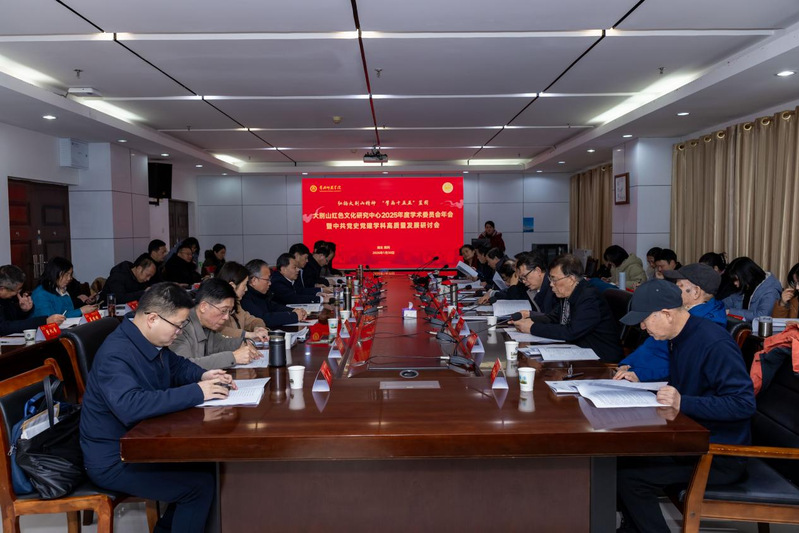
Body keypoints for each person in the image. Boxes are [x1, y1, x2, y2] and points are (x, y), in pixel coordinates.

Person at [79, 282, 235, 533]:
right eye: (178, 325)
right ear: (152, 318)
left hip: (143, 441)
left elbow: (177, 366)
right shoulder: (115, 354)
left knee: (208, 465)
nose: (180, 332)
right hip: (115, 458)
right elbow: (131, 405)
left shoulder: (148, 339)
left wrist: (203, 375)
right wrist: (197, 391)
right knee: (197, 487)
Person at [616, 280, 755, 533]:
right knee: (618, 459)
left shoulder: (713, 343)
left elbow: (743, 403)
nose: (642, 327)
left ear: (667, 314)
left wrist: (683, 402)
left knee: (631, 477)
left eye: (645, 320)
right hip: (689, 438)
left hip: (717, 453)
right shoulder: (679, 337)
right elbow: (688, 383)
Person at [614, 264, 727, 382]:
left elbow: (684, 368)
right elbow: (652, 345)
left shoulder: (708, 325)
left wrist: (640, 374)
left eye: (679, 286)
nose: (674, 290)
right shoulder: (683, 314)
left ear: (696, 292)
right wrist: (628, 363)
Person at [511, 254, 623, 362]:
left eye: (554, 279)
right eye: (550, 279)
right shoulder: (569, 293)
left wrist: (532, 328)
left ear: (571, 279)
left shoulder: (589, 297)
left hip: (601, 359)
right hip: (582, 351)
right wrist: (528, 321)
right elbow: (553, 318)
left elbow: (571, 331)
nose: (551, 284)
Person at [171, 278, 262, 370]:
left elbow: (220, 344)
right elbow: (183, 367)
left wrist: (243, 342)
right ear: (203, 307)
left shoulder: (207, 325)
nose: (226, 317)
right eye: (223, 310)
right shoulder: (180, 326)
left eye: (229, 311)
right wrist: (233, 357)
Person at [241, 259, 308, 329]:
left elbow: (274, 307)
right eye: (267, 280)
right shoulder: (245, 298)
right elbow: (263, 319)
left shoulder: (259, 294)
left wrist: (293, 310)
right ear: (254, 281)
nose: (270, 283)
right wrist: (293, 316)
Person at [0, 264, 64, 335]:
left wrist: (24, 311)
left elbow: (14, 320)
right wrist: (44, 321)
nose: (18, 293)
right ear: (2, 289)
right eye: (16, 290)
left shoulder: (7, 298)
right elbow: (3, 327)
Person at [215, 262, 269, 341]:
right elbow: (219, 330)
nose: (246, 289)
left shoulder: (236, 304)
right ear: (232, 286)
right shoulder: (215, 305)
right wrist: (247, 334)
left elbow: (252, 320)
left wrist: (258, 328)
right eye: (244, 285)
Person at [31, 257, 98, 318]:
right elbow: (50, 319)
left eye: (70, 274)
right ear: (54, 273)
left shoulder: (62, 290)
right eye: (66, 274)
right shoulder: (40, 294)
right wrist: (80, 311)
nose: (69, 278)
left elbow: (68, 313)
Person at [722, 256, 782, 321]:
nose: (735, 283)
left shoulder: (770, 290)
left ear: (746, 276)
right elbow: (729, 301)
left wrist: (730, 312)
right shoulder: (747, 285)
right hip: (743, 325)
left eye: (736, 280)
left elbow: (762, 315)